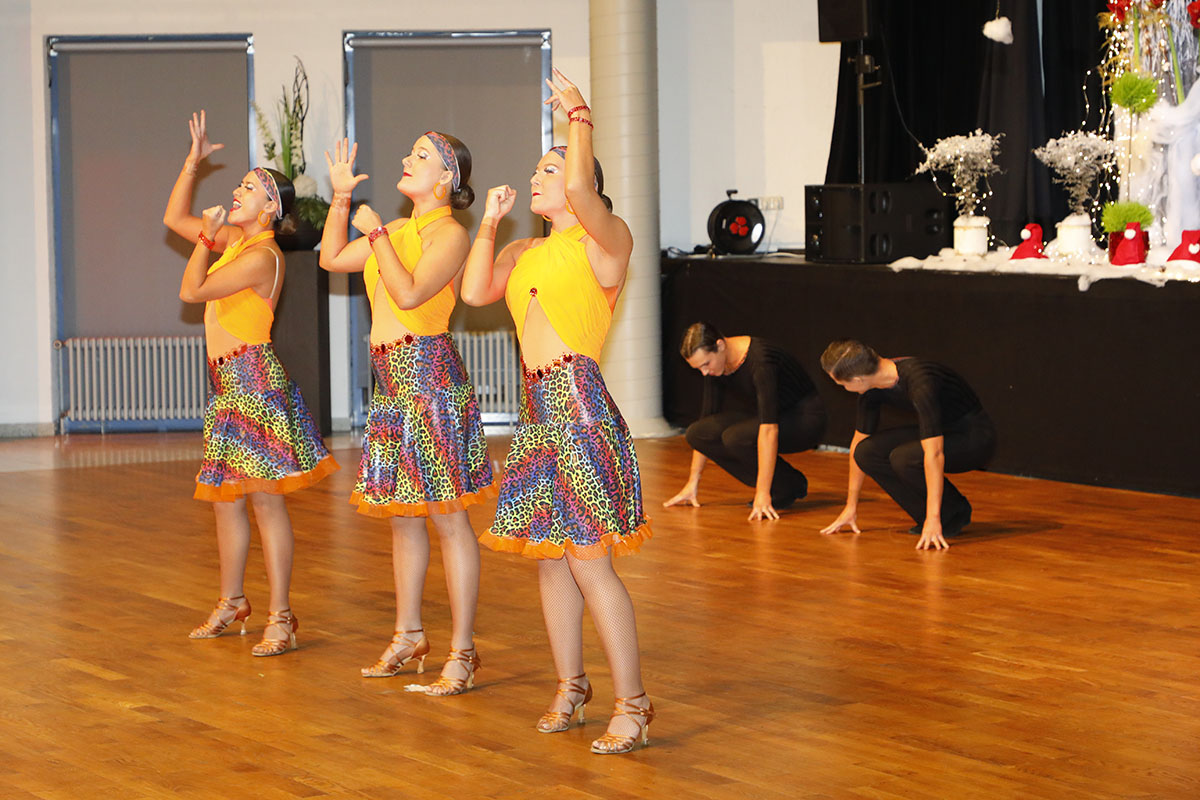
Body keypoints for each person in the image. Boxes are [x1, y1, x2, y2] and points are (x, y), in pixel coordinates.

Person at [461, 69, 653, 755]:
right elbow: (475, 290)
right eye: (538, 168)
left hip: (580, 410)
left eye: (550, 168)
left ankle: (634, 704)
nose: (536, 177)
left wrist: (579, 118)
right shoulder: (528, 250)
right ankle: (572, 685)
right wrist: (489, 222)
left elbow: (579, 191)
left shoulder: (607, 241)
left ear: (583, 182)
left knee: (591, 562)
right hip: (537, 415)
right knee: (550, 560)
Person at [319, 133, 494, 696]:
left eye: (421, 156)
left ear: (446, 178)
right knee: (403, 516)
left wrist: (375, 234)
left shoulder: (451, 234)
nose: (406, 159)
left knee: (448, 517)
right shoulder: (395, 229)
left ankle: (463, 651)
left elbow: (412, 294)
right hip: (392, 386)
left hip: (431, 383)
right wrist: (341, 199)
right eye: (410, 152)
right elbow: (329, 259)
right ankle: (409, 634)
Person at [163, 110, 338, 655]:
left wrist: (205, 237)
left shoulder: (262, 255)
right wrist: (192, 165)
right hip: (228, 389)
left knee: (265, 502)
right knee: (226, 501)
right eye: (239, 183)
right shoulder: (236, 244)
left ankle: (281, 616)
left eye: (249, 188)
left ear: (270, 209)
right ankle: (232, 600)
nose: (237, 191)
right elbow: (173, 217)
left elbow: (192, 292)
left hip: (255, 387)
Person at [819, 339, 996, 550]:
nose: (843, 388)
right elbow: (859, 440)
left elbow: (934, 453)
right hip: (943, 429)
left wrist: (933, 518)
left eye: (841, 384)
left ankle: (948, 515)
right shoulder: (872, 388)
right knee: (865, 452)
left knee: (904, 458)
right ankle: (944, 514)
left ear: (858, 379)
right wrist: (851, 506)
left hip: (974, 436)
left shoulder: (921, 382)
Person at [664, 322, 826, 521]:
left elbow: (769, 430)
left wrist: (762, 493)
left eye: (706, 364)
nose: (704, 372)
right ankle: (785, 483)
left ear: (720, 345)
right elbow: (706, 418)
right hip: (772, 416)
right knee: (697, 433)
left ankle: (786, 487)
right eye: (698, 368)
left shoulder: (761, 361)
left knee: (736, 438)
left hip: (805, 419)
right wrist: (692, 483)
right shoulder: (717, 366)